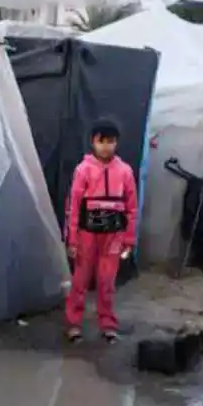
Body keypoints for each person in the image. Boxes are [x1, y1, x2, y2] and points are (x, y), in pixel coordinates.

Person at [64, 118, 138, 344]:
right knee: (80, 280)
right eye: (101, 141)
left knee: (107, 281)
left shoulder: (125, 171)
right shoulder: (83, 169)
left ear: (117, 143)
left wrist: (129, 238)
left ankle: (107, 324)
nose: (106, 146)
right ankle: (73, 324)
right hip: (87, 234)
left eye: (111, 141)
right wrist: (72, 239)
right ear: (93, 142)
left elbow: (132, 207)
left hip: (113, 235)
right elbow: (74, 206)